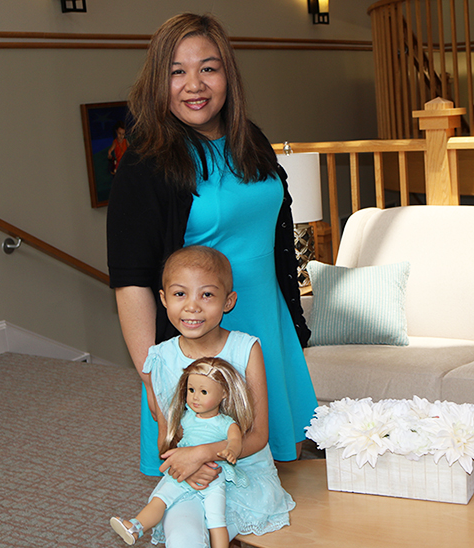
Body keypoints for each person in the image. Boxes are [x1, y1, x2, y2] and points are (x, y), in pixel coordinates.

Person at [106, 12, 318, 479]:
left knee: (282, 472)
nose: (194, 84)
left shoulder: (251, 139)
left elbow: (275, 236)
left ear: (228, 75)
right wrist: (155, 375)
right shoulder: (146, 163)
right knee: (211, 482)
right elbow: (132, 280)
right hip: (203, 342)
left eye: (208, 67)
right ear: (158, 82)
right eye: (176, 71)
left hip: (268, 324)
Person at [115, 245, 295, 547]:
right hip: (186, 477)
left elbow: (259, 435)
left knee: (217, 533)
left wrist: (202, 454)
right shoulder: (160, 358)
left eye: (207, 295)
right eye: (180, 294)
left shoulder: (246, 348)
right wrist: (190, 465)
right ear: (163, 299)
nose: (192, 307)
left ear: (229, 301)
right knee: (182, 538)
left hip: (242, 476)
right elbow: (166, 439)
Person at [110, 357, 252, 548]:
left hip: (213, 477)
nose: (195, 397)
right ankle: (135, 527)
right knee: (160, 499)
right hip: (182, 473)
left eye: (203, 392)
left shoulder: (227, 423)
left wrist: (231, 452)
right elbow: (175, 439)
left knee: (216, 519)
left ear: (224, 393)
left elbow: (236, 442)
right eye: (191, 390)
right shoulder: (186, 417)